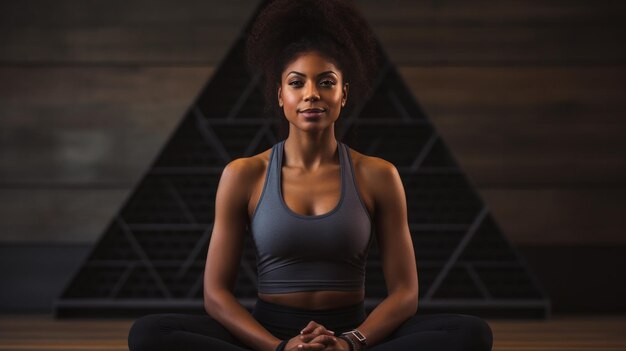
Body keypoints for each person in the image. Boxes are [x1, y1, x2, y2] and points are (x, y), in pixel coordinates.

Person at [128, 0, 494, 350]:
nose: (311, 95)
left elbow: (405, 293)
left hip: (353, 332)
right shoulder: (244, 174)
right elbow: (215, 294)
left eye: (326, 82)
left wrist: (350, 342)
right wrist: (279, 347)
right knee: (150, 333)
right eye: (297, 82)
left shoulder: (379, 175)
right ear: (280, 95)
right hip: (268, 332)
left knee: (469, 333)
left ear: (344, 94)